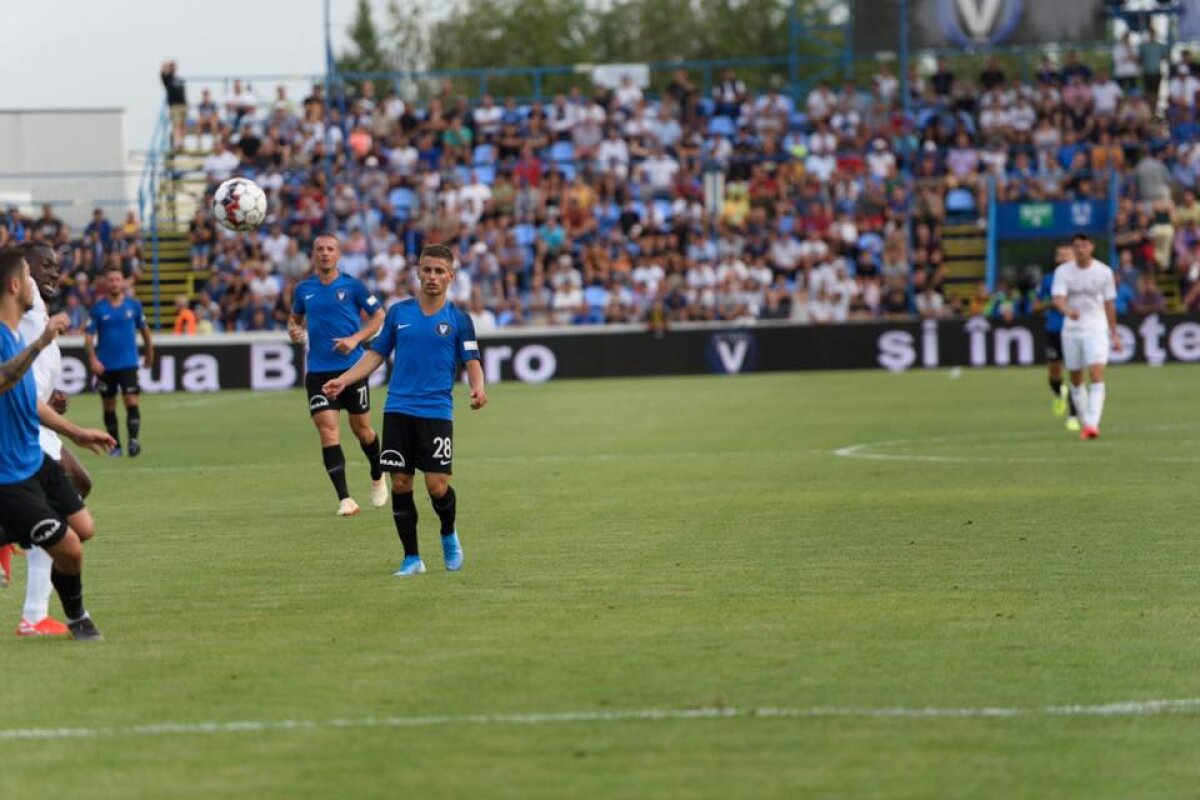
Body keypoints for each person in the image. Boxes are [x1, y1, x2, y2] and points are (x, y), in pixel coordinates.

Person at [322, 243, 487, 576]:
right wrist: (344, 379)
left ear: (451, 277)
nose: (432, 277)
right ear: (418, 272)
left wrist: (478, 387)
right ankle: (412, 558)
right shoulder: (399, 313)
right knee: (400, 483)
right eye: (427, 270)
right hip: (398, 408)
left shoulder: (459, 319)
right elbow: (376, 355)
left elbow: (472, 360)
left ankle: (447, 532)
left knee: (437, 486)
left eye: (439, 271)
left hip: (437, 411)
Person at [0, 246, 114, 641]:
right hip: (13, 462)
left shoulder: (20, 328)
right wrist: (41, 342)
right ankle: (63, 619)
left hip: (34, 447)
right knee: (68, 544)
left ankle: (9, 538)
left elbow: (27, 396)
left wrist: (77, 430)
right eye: (41, 270)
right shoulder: (13, 332)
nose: (53, 275)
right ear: (19, 281)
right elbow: (4, 380)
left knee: (82, 523)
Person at [288, 234, 388, 517]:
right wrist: (294, 331)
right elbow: (294, 320)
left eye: (330, 249)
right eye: (319, 249)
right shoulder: (303, 289)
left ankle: (377, 472)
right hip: (318, 372)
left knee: (362, 430)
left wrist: (356, 339)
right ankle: (345, 498)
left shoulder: (353, 286)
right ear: (314, 255)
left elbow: (380, 316)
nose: (324, 253)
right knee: (328, 430)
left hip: (352, 369)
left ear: (338, 254)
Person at [1051, 234, 1121, 440]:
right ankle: (1085, 420)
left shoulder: (1104, 272)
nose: (1080, 249)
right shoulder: (1063, 272)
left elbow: (1109, 303)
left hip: (1095, 328)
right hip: (1071, 330)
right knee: (1075, 377)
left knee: (1097, 373)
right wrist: (1067, 311)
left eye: (1083, 245)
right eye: (1076, 246)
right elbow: (1058, 298)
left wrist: (1114, 333)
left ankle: (1092, 424)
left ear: (1091, 246)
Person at [85, 263, 154, 457]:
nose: (115, 283)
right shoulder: (98, 309)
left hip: (129, 364)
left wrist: (150, 354)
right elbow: (89, 337)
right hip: (105, 366)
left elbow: (146, 332)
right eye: (111, 280)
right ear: (105, 283)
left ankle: (133, 441)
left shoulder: (134, 305)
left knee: (131, 401)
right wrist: (92, 360)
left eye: (117, 280)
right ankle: (115, 446)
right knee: (109, 406)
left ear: (123, 282)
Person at [1036, 245, 1080, 432]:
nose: (1063, 259)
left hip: (1075, 330)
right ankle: (1060, 393)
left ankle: (1073, 415)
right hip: (1054, 329)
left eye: (1067, 256)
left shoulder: (1081, 278)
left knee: (1074, 373)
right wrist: (1052, 304)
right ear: (1056, 260)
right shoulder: (1048, 280)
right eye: (1060, 256)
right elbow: (1036, 307)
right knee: (1053, 374)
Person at [161, 61, 188, 151]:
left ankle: (182, 143)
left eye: (174, 67)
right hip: (174, 106)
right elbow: (162, 71)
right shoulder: (167, 78)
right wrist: (167, 64)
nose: (173, 68)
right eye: (171, 67)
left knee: (183, 125)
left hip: (183, 105)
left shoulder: (179, 79)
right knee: (176, 125)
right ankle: (177, 144)